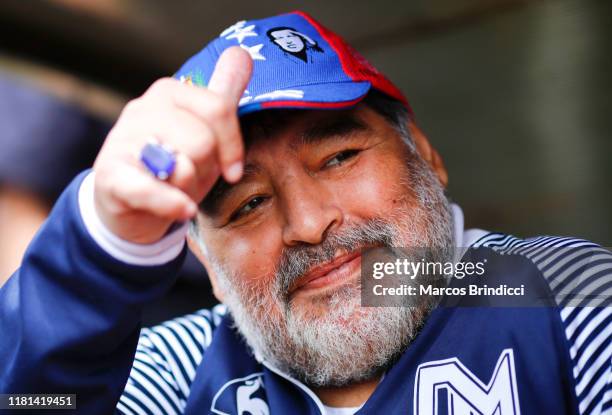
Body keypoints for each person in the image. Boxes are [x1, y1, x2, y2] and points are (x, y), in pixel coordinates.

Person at [0, 10, 610, 415]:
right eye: (248, 205)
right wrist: (99, 247)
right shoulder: (178, 369)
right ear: (205, 261)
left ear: (425, 155)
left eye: (339, 157)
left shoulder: (564, 299)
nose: (308, 224)